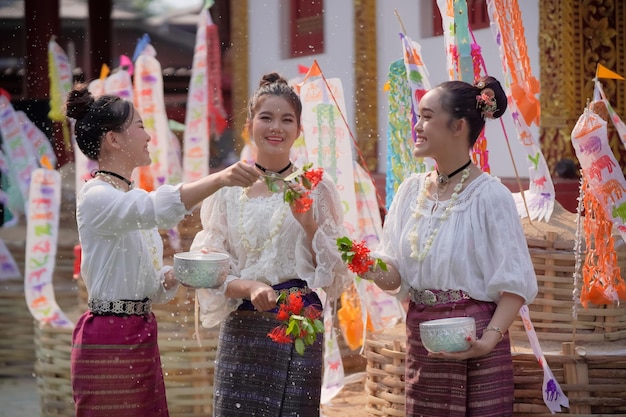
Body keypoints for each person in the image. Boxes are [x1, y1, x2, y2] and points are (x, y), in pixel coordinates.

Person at [66, 83, 261, 417]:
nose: (149, 136)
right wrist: (220, 179)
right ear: (113, 139)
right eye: (140, 127)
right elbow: (153, 208)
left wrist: (171, 277)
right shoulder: (97, 196)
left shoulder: (125, 197)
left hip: (139, 331)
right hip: (109, 335)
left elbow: (149, 286)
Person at [363, 76, 538, 416]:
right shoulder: (410, 192)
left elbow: (516, 283)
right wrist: (366, 265)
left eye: (427, 116)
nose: (417, 125)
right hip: (423, 338)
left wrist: (488, 340)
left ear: (458, 126)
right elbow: (394, 277)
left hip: (477, 342)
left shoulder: (491, 196)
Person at [190, 72, 351, 416]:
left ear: (299, 129)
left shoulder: (316, 188)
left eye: (286, 119)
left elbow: (333, 274)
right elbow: (210, 269)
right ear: (249, 124)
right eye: (266, 117)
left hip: (298, 323)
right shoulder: (228, 190)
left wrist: (308, 225)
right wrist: (249, 286)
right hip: (244, 324)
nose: (276, 127)